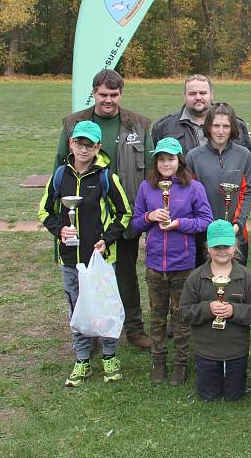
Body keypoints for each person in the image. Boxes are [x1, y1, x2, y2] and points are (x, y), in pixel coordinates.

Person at [55, 69, 153, 349]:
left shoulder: (139, 124)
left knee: (125, 274)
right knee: (85, 277)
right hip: (85, 220)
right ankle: (91, 331)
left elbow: (150, 173)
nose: (108, 100)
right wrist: (61, 220)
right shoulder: (74, 124)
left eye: (114, 94)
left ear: (121, 93)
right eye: (103, 95)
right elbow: (59, 169)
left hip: (124, 219)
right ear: (94, 93)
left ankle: (133, 328)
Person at [38, 121, 131, 386]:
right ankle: (82, 359)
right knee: (76, 308)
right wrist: (60, 232)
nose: (83, 148)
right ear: (71, 144)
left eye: (89, 144)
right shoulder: (59, 176)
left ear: (98, 147)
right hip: (70, 259)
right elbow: (45, 211)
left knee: (105, 305)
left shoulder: (105, 177)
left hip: (100, 258)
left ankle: (110, 356)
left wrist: (106, 239)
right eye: (79, 143)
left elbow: (124, 213)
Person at [130, 137, 213, 385]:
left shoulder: (193, 188)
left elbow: (206, 221)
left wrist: (179, 224)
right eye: (161, 159)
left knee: (181, 316)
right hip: (155, 264)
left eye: (171, 159)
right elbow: (134, 223)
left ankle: (180, 362)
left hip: (183, 264)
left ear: (179, 161)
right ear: (155, 162)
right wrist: (149, 216)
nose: (166, 163)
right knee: (157, 316)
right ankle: (158, 360)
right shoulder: (147, 187)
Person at [179, 220, 251, 401]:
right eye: (216, 246)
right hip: (207, 350)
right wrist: (207, 309)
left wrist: (235, 311)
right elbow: (184, 312)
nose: (222, 250)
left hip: (236, 349)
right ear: (207, 247)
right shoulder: (196, 277)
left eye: (226, 245)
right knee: (209, 395)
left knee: (234, 395)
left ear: (235, 246)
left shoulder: (246, 276)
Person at [187, 103, 251, 265]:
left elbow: (248, 192)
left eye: (226, 126)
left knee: (235, 284)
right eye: (216, 125)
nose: (220, 131)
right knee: (205, 285)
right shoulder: (193, 157)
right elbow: (188, 196)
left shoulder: (243, 155)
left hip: (235, 233)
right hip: (203, 234)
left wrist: (237, 225)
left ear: (232, 128)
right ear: (208, 126)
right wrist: (203, 225)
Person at [151, 74, 251, 162]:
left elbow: (250, 166)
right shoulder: (164, 127)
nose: (198, 97)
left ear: (211, 95)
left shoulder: (236, 124)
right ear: (184, 96)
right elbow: (154, 166)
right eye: (192, 94)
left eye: (203, 93)